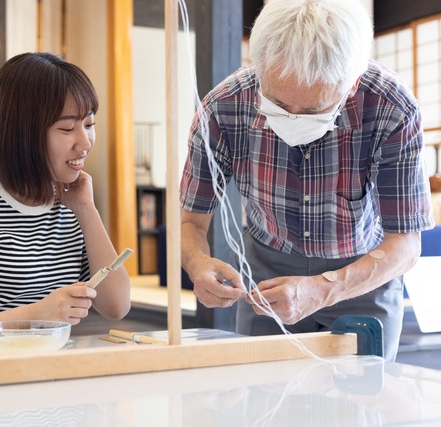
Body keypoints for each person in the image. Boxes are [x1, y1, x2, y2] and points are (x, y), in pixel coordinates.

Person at [180, 0, 434, 361]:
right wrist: (197, 263)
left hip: (364, 274)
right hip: (266, 275)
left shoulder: (391, 108)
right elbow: (190, 220)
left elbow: (406, 245)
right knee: (263, 403)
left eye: (314, 109)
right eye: (278, 103)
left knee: (358, 407)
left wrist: (325, 288)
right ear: (259, 68)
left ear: (352, 83)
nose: (293, 118)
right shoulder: (224, 107)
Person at [0, 52, 131, 345]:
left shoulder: (73, 205)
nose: (84, 143)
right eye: (67, 128)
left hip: (44, 374)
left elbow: (116, 307)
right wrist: (39, 313)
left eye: (89, 124)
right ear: (23, 134)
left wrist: (86, 209)